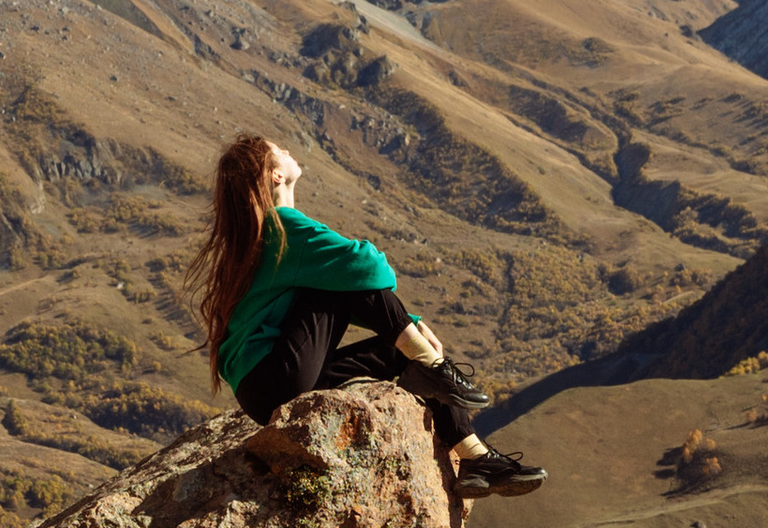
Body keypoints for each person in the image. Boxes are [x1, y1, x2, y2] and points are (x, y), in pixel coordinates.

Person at [188, 133, 545, 498]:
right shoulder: (282, 226)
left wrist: (409, 329)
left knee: (399, 352)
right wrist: (412, 327)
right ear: (275, 175)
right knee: (341, 276)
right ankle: (435, 368)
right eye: (279, 150)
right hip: (278, 376)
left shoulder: (259, 234)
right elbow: (368, 266)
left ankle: (475, 458)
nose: (287, 150)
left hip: (264, 390)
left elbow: (354, 289)